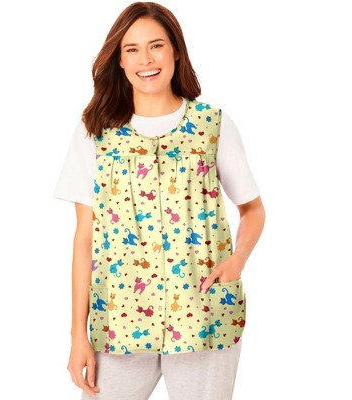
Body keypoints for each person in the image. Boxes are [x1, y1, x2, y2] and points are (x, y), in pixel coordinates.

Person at [53, 2, 265, 399]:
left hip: (203, 313)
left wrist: (237, 262)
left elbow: (252, 209)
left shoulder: (212, 125)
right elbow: (84, 238)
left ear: (176, 51)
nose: (145, 59)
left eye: (156, 46)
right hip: (118, 320)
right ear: (119, 60)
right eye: (132, 49)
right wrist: (77, 335)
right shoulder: (95, 132)